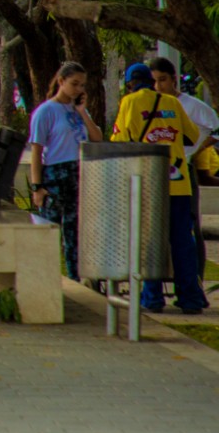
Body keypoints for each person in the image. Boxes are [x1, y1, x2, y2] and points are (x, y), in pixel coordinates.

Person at [116, 60, 211, 313]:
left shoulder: (129, 103)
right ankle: (190, 299)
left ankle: (152, 298)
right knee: (183, 242)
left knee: (149, 242)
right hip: (179, 185)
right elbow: (191, 135)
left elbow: (118, 140)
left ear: (130, 85)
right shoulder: (172, 103)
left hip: (148, 185)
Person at [29, 61, 103, 280]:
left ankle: (76, 278)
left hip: (78, 173)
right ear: (61, 81)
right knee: (50, 232)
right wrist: (37, 186)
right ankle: (45, 278)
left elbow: (97, 137)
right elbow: (36, 150)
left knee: (75, 234)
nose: (78, 89)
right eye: (74, 84)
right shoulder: (46, 111)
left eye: (82, 85)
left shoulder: (77, 110)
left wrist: (82, 112)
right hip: (55, 174)